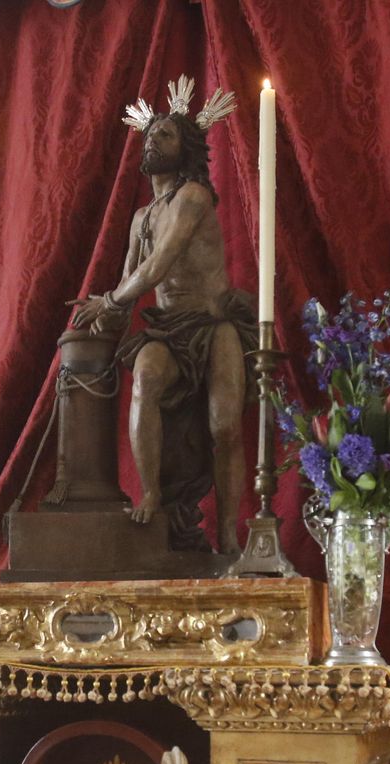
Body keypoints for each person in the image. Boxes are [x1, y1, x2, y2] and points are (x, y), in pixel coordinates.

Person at [70, 79, 252, 555]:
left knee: (224, 426)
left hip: (212, 324)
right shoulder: (140, 216)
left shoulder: (193, 195)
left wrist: (109, 301)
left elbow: (157, 265)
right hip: (168, 328)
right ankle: (150, 490)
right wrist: (99, 318)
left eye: (165, 134)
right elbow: (132, 277)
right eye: (150, 134)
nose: (153, 139)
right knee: (146, 376)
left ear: (187, 147)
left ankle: (230, 532)